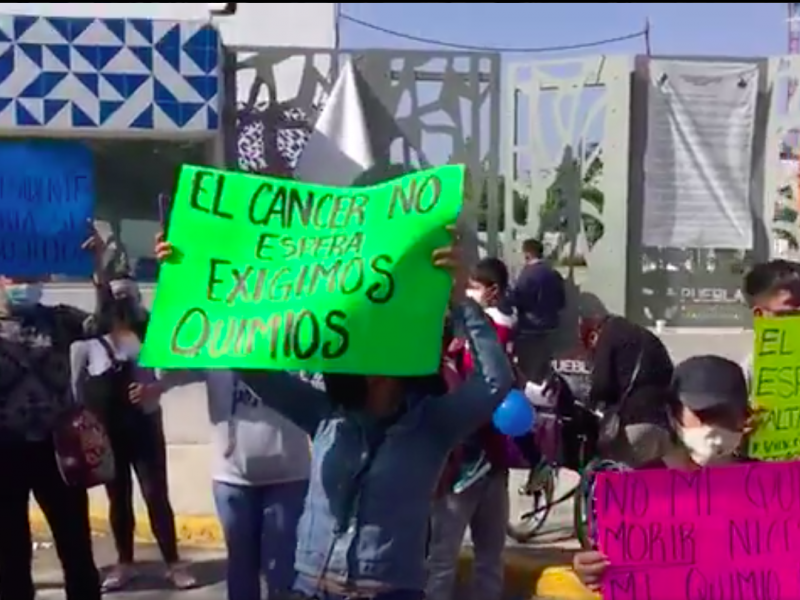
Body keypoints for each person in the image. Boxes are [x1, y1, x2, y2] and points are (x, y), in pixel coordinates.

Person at [155, 226, 515, 600]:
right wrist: (191, 274)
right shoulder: (325, 414)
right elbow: (247, 363)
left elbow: (496, 381)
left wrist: (461, 303)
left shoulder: (433, 425)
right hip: (310, 589)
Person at [152, 234, 311, 600]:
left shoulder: (298, 330)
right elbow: (167, 363)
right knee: (240, 572)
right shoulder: (213, 333)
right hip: (233, 481)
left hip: (290, 476)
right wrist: (173, 281)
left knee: (283, 574)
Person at [572, 355, 750, 593]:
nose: (714, 427)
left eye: (726, 415)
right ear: (673, 414)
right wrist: (590, 567)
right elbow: (606, 558)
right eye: (703, 415)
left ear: (744, 418)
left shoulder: (773, 491)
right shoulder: (638, 489)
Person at [0, 227, 111, 600]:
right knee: (10, 556)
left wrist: (99, 273)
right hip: (5, 452)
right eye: (15, 275)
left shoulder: (60, 320)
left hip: (58, 451)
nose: (23, 284)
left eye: (31, 276)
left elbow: (105, 325)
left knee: (76, 547)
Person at [428, 257, 542, 600]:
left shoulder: (493, 337)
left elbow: (505, 394)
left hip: (493, 465)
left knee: (490, 557)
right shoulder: (437, 361)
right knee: (442, 561)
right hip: (457, 472)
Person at [69, 295, 194, 591]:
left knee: (155, 495)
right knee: (118, 497)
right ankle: (124, 563)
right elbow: (74, 394)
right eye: (115, 307)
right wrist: (84, 430)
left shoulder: (149, 340)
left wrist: (154, 388)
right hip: (108, 433)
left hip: (145, 427)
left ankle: (173, 563)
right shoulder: (84, 347)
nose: (121, 314)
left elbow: (177, 373)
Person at [580, 313, 674, 464]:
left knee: (619, 482)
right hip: (664, 426)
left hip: (633, 425)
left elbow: (602, 385)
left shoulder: (608, 333)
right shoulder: (645, 336)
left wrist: (588, 403)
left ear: (593, 335)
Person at [510, 238, 566, 383]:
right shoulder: (553, 274)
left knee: (529, 370)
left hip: (530, 328)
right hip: (551, 327)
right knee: (545, 366)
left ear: (527, 253)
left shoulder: (527, 274)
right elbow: (561, 302)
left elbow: (519, 299)